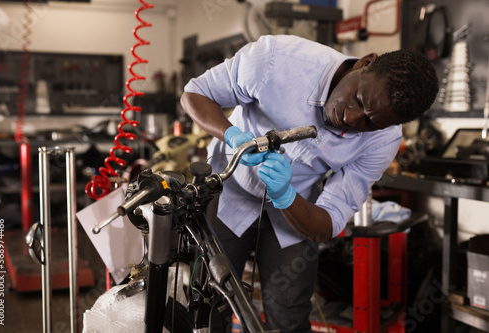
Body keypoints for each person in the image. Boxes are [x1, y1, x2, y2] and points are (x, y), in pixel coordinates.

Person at [180, 34, 439, 332]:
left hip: (296, 208)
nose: (350, 119)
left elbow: (327, 223)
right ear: (366, 63)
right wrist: (232, 135)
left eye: (369, 122)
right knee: (210, 303)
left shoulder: (383, 141)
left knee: (289, 311)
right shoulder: (278, 59)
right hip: (229, 191)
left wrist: (285, 196)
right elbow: (195, 94)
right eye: (358, 99)